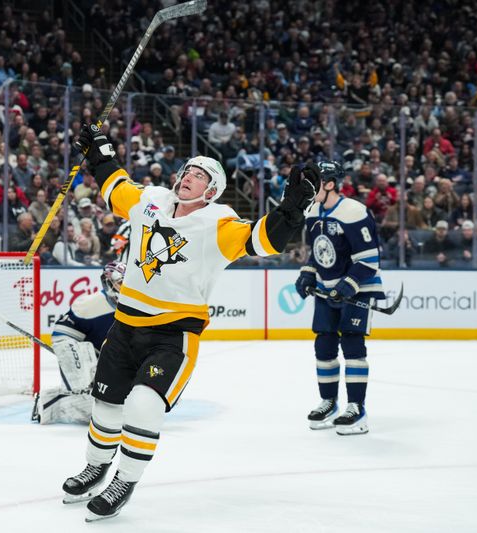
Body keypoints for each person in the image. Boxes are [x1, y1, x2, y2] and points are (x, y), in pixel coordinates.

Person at [61, 124, 314, 521]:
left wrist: (293, 206)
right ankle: (96, 466)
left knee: (143, 406)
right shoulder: (151, 200)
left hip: (172, 335)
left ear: (211, 192)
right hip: (125, 326)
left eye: (199, 176)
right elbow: (115, 185)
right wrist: (98, 149)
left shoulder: (219, 223)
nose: (188, 177)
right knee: (106, 405)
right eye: (187, 171)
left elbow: (265, 241)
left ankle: (124, 480)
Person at [294, 160, 384, 436]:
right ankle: (329, 402)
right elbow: (319, 251)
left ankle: (357, 408)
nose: (308, 187)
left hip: (358, 290)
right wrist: (308, 273)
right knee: (324, 347)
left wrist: (348, 285)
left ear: (330, 184)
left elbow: (370, 259)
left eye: (315, 182)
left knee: (353, 347)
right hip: (326, 288)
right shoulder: (312, 211)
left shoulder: (354, 211)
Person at [34, 262, 126, 424]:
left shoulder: (137, 306)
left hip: (105, 354)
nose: (126, 288)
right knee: (87, 402)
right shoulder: (90, 303)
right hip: (77, 347)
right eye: (121, 283)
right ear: (108, 283)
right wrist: (81, 364)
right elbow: (62, 335)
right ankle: (49, 404)